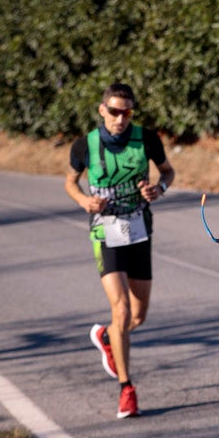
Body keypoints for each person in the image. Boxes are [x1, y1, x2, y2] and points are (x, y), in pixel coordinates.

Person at [65, 82, 175, 419]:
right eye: (114, 111)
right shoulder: (85, 145)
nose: (120, 118)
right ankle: (127, 389)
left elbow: (167, 171)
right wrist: (84, 200)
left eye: (126, 112)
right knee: (122, 309)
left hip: (139, 229)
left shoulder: (147, 139)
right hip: (105, 231)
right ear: (102, 110)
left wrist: (160, 188)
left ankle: (107, 336)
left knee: (138, 316)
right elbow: (70, 181)